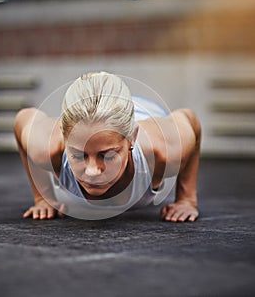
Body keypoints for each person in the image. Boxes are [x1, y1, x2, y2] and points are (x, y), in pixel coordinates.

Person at [14, 72, 201, 222]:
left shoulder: (164, 149)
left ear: (132, 139)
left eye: (108, 156)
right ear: (64, 138)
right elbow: (23, 118)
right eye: (79, 156)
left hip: (142, 112)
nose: (93, 171)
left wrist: (186, 199)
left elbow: (189, 118)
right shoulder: (46, 146)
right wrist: (43, 198)